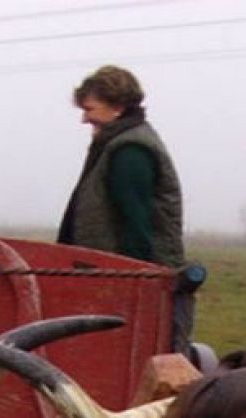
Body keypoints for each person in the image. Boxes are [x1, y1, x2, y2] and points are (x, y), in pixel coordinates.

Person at [56, 65, 184, 268]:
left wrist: (135, 279)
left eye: (90, 109)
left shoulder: (130, 151)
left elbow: (136, 225)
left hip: (119, 278)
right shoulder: (116, 145)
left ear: (117, 106)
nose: (84, 119)